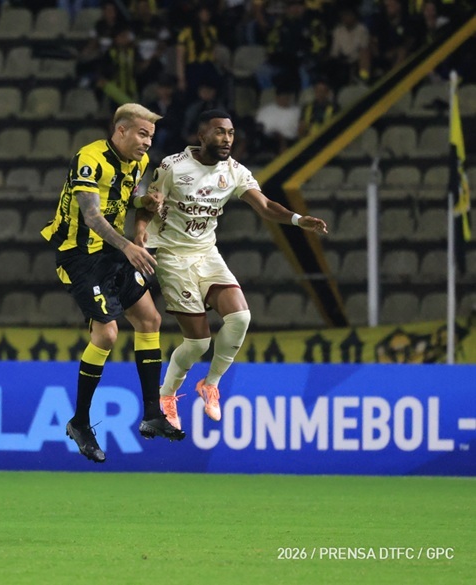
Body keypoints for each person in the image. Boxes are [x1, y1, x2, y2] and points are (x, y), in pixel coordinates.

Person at [136, 109, 328, 429]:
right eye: (219, 132)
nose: (226, 139)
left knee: (240, 317)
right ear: (202, 136)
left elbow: (265, 206)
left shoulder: (235, 171)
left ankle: (210, 384)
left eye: (230, 133)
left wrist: (297, 220)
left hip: (206, 252)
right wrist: (140, 234)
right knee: (198, 344)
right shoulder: (173, 167)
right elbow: (148, 204)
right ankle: (166, 394)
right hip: (172, 254)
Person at [40, 103, 185, 464]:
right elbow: (91, 215)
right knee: (106, 335)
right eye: (141, 134)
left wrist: (145, 202)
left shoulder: (137, 164)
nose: (147, 143)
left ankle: (152, 413)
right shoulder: (89, 158)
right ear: (120, 131)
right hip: (78, 254)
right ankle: (80, 422)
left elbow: (123, 200)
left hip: (111, 252)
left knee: (150, 320)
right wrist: (130, 246)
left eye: (150, 137)